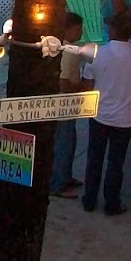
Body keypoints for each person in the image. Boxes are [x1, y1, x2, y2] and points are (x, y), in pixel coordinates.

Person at [81, 13, 131, 216]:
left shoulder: (97, 55)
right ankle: (112, 203)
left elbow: (87, 86)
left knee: (94, 159)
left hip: (99, 115)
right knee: (116, 163)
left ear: (112, 31)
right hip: (125, 119)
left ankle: (89, 199)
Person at [49, 12, 88, 199]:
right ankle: (58, 183)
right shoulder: (67, 51)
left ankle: (65, 176)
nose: (81, 33)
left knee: (69, 141)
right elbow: (62, 82)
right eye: (78, 29)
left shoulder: (65, 48)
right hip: (64, 103)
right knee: (63, 142)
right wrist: (79, 87)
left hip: (65, 103)